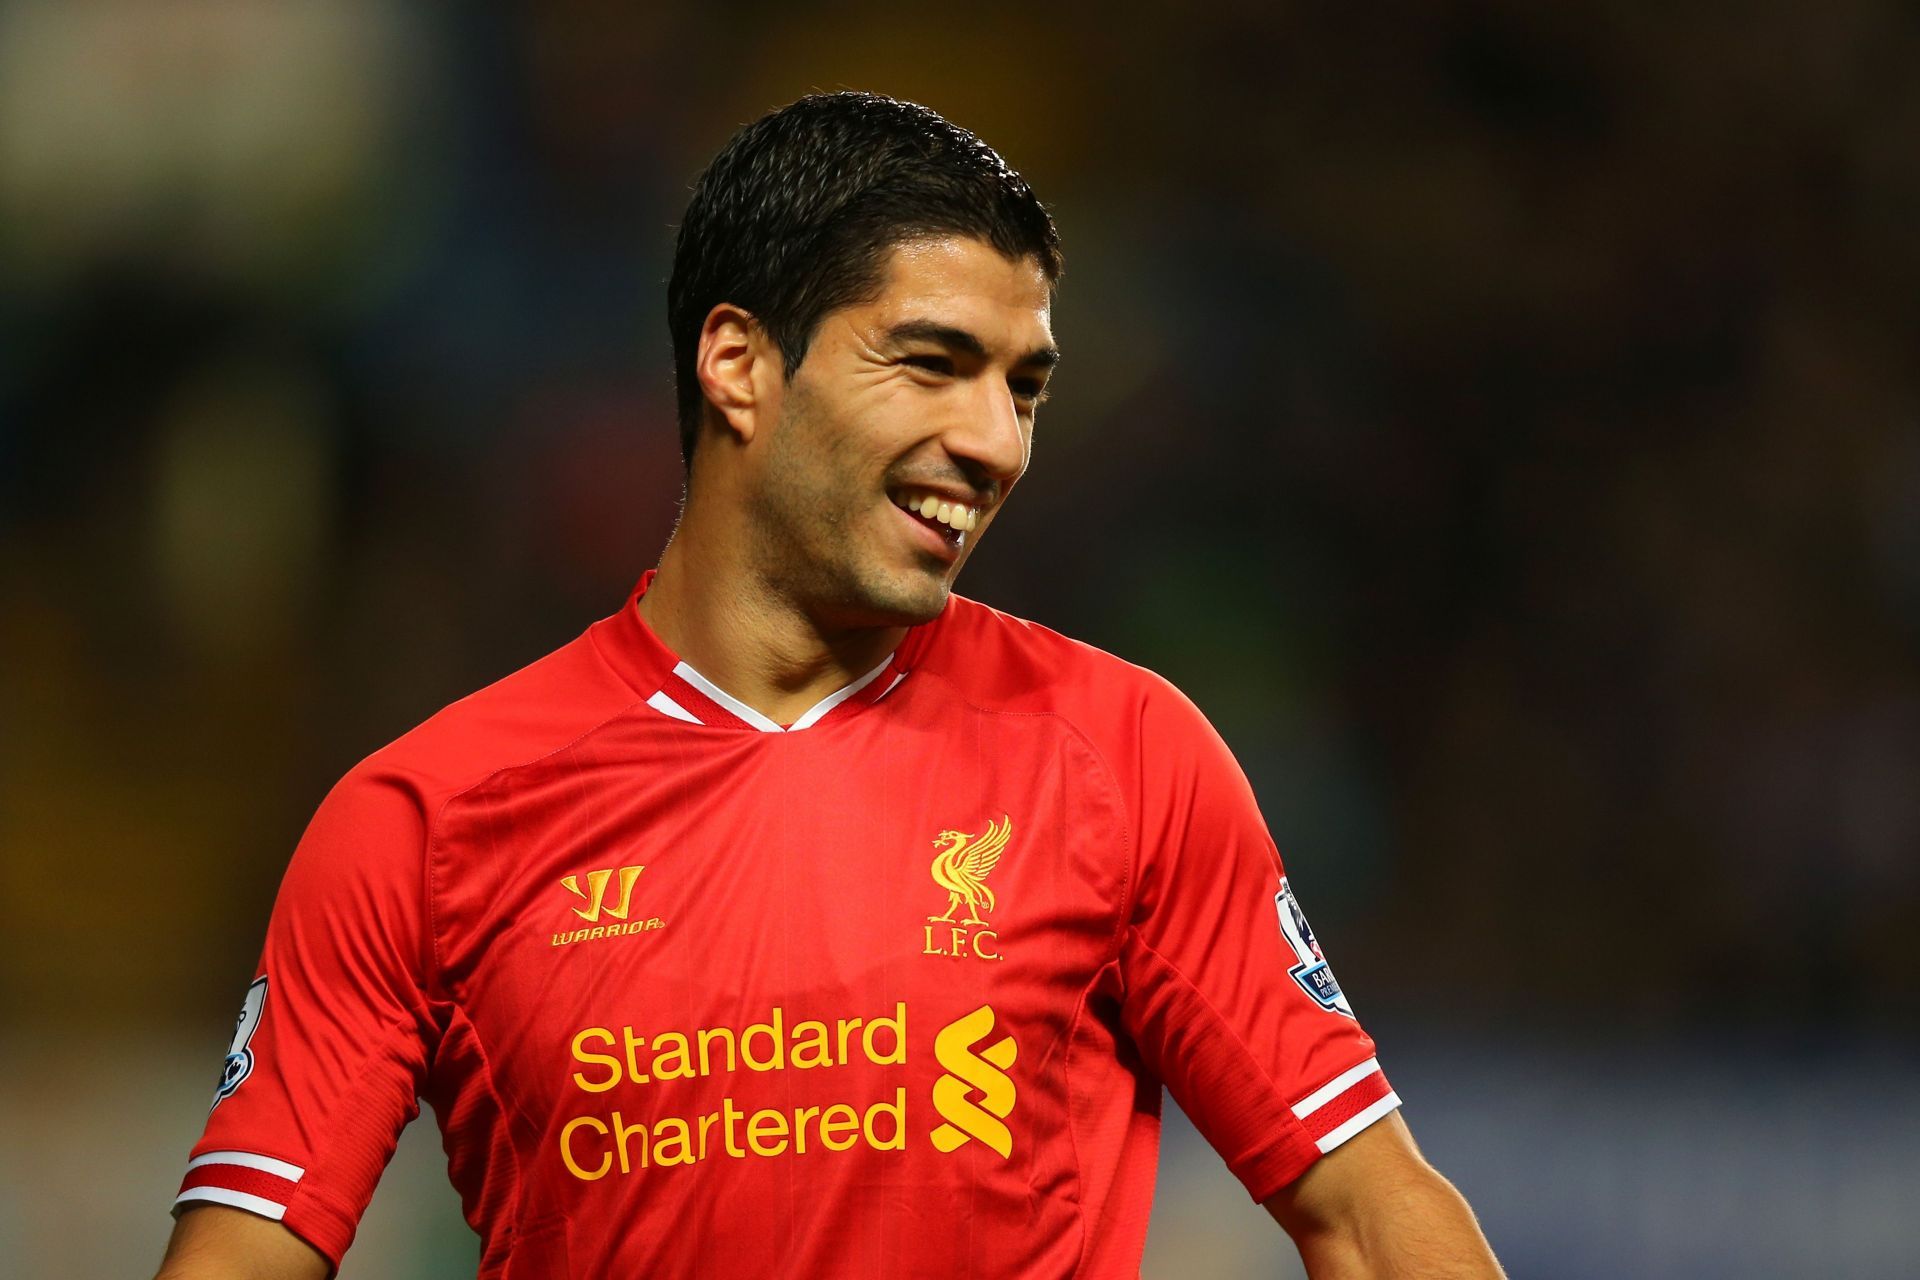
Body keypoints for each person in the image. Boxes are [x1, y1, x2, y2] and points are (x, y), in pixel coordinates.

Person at [155, 91, 1503, 1279]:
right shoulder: (426, 819)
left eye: (1024, 387)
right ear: (738, 365)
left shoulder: (1121, 754)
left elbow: (1370, 1214)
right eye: (931, 363)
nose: (992, 441)